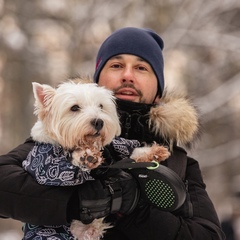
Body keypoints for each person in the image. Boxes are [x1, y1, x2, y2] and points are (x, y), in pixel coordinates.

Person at [0, 27, 225, 240]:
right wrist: (77, 202)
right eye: (116, 65)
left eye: (141, 68)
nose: (128, 75)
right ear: (98, 80)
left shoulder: (178, 162)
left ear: (158, 90)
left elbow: (209, 235)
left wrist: (132, 208)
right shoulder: (53, 141)